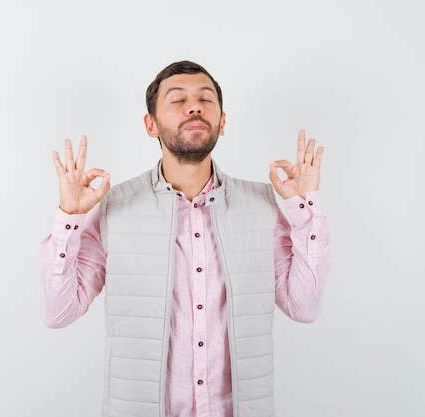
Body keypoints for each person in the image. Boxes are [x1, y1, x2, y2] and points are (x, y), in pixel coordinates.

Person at [39, 60, 330, 417]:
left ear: (222, 122)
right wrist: (70, 216)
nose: (194, 106)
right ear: (151, 125)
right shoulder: (114, 208)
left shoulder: (262, 207)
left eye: (206, 99)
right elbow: (59, 311)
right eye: (177, 100)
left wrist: (304, 211)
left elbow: (303, 308)